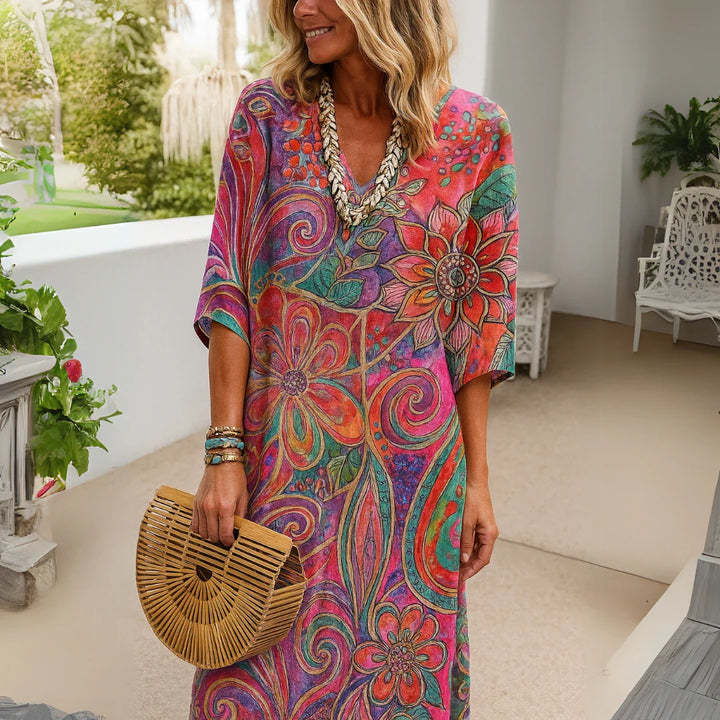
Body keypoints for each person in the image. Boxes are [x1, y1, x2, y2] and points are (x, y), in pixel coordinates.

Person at [189, 0, 518, 717]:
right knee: (256, 668)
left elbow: (479, 324)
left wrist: (478, 480)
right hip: (285, 457)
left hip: (415, 473)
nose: (300, 8)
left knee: (396, 676)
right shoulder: (267, 117)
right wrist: (223, 451)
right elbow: (230, 287)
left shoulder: (477, 133)